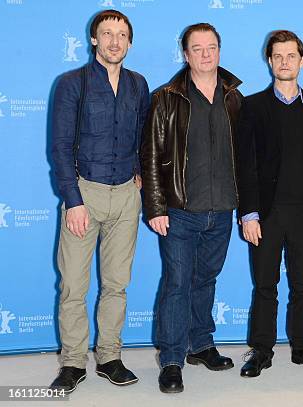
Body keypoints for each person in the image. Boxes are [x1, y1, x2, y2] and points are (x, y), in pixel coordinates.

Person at [50, 9, 149, 393]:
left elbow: (142, 133)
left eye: (121, 35)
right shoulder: (71, 83)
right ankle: (73, 363)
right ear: (94, 39)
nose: (114, 41)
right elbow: (59, 147)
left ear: (129, 42)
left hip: (126, 195)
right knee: (74, 285)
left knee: (116, 285)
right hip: (84, 194)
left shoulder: (139, 85)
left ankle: (109, 357)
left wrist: (139, 172)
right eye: (106, 33)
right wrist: (73, 200)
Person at [140, 23, 243, 393]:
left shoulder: (234, 96)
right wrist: (155, 206)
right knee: (177, 283)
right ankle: (171, 359)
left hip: (223, 210)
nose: (204, 54)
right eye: (196, 48)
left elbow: (246, 156)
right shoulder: (166, 97)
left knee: (206, 280)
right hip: (180, 210)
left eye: (211, 47)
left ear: (219, 50)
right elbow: (150, 155)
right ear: (185, 54)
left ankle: (200, 344)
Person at [237, 30, 303, 378]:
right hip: (266, 215)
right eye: (277, 56)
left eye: (290, 56)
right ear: (269, 61)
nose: (284, 62)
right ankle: (261, 351)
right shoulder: (251, 106)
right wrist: (248, 214)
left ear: (302, 60)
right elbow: (244, 165)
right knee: (265, 285)